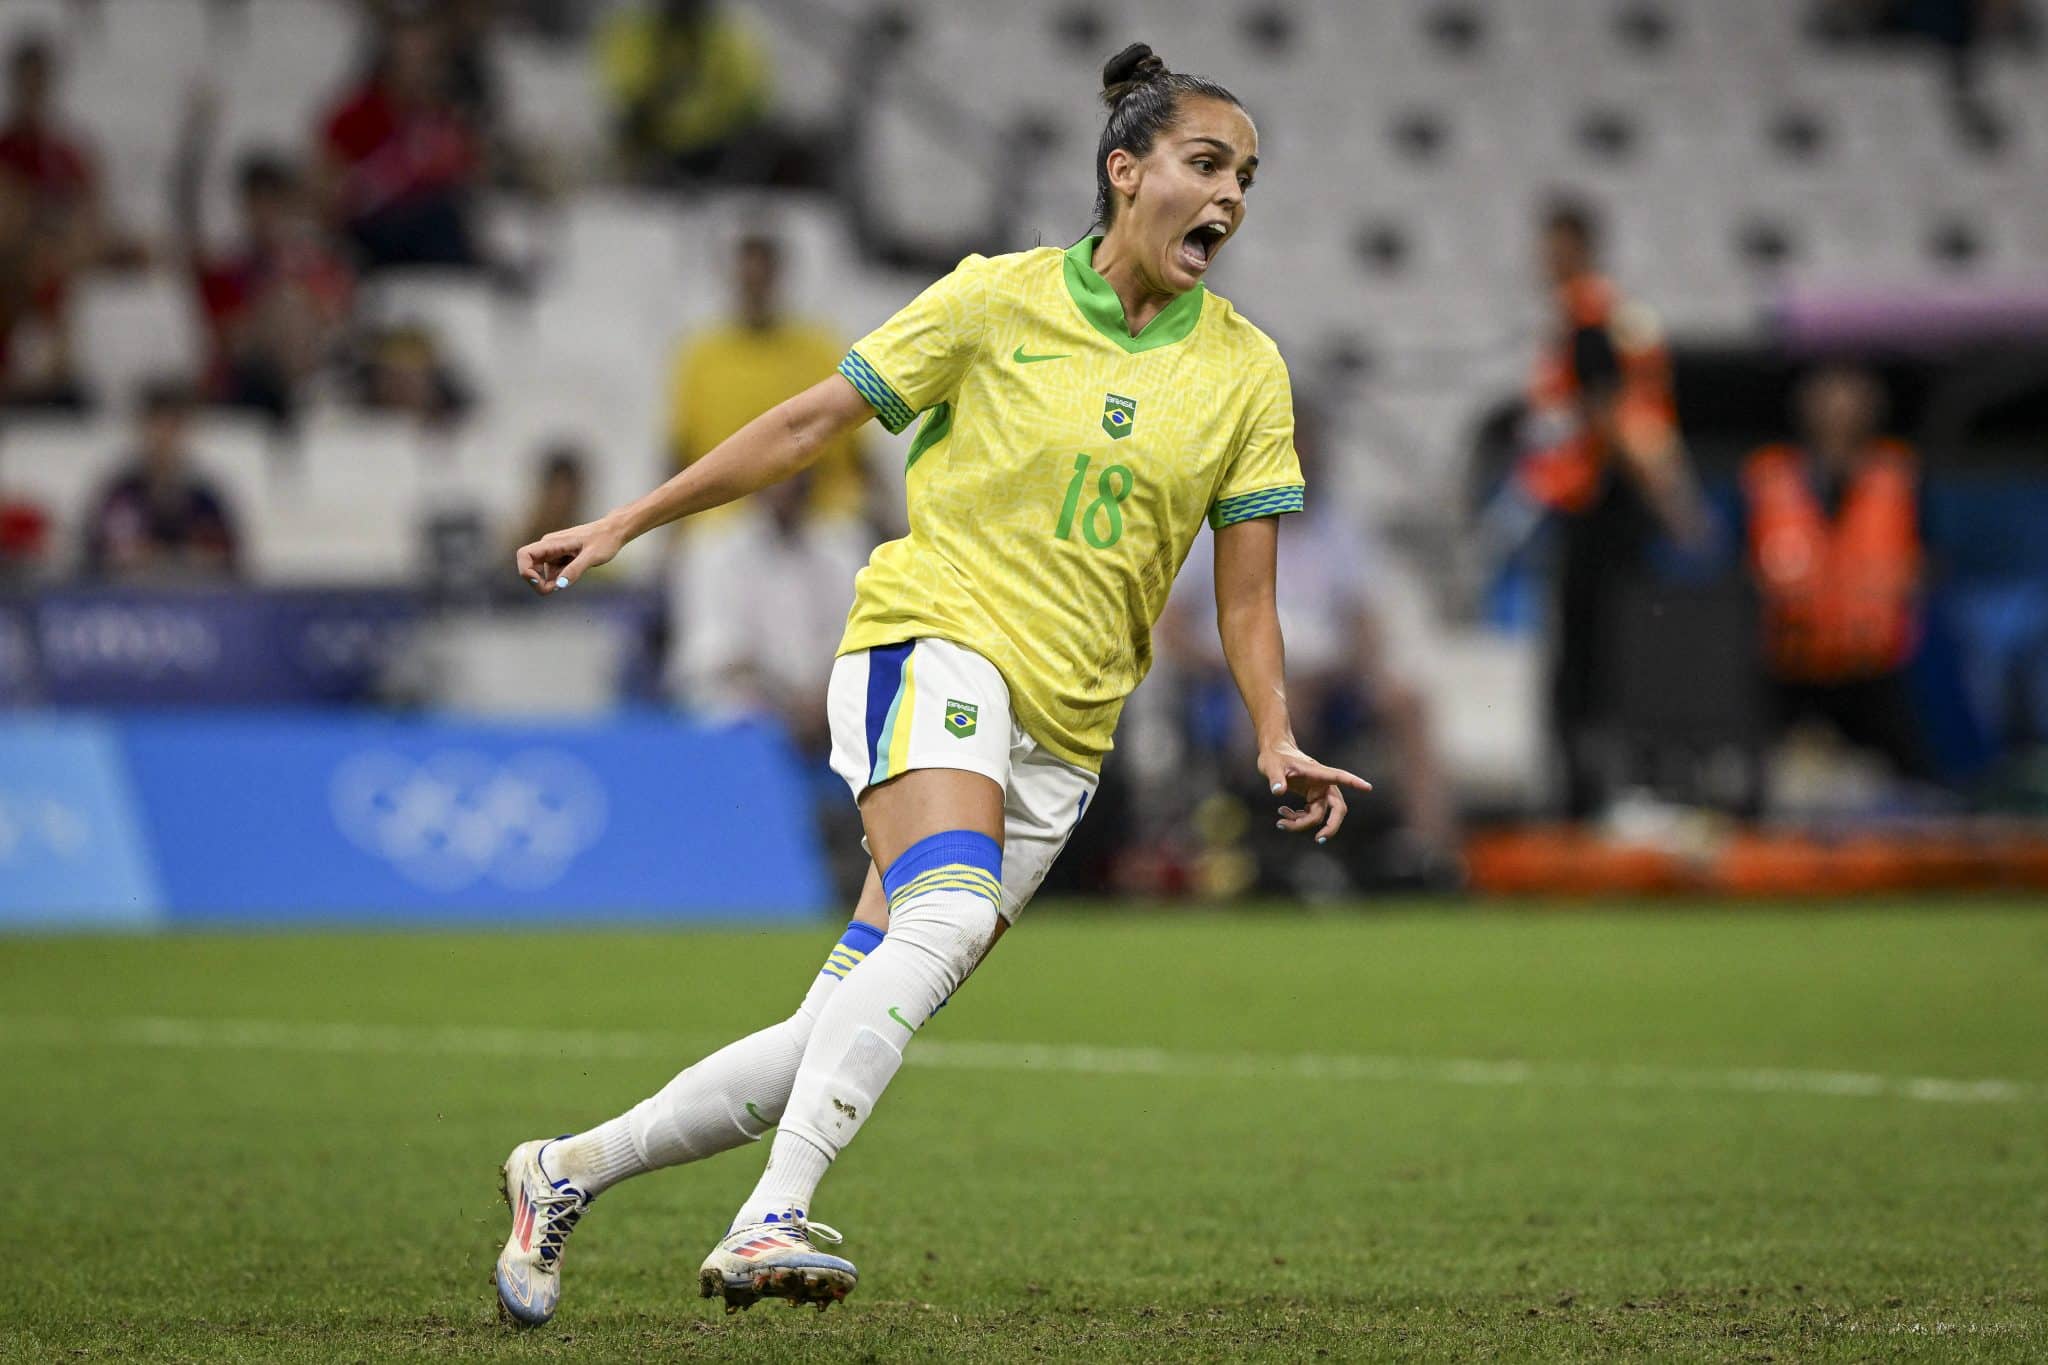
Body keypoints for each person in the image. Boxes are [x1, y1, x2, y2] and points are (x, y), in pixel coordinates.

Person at [494, 43, 1369, 1325]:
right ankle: (767, 1218)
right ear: (1124, 172)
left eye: (1244, 176)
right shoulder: (992, 300)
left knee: (825, 1034)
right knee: (947, 918)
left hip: (1065, 738)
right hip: (931, 642)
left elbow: (1243, 595)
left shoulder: (1245, 373)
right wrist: (631, 521)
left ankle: (562, 1173)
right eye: (1203, 163)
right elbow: (806, 425)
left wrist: (1274, 731)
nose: (1229, 196)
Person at [1514, 194, 1706, 819]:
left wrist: (1675, 503)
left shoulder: (1590, 318)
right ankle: (1606, 789)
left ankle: (1594, 796)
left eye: (1555, 246)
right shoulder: (1596, 318)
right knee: (1599, 654)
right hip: (1594, 506)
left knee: (1590, 660)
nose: (1545, 260)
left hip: (1598, 509)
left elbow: (1615, 415)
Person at [1739, 364, 1935, 781]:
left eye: (1850, 394)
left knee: (1913, 778)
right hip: (1791, 666)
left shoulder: (1898, 476)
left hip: (1872, 667)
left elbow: (1927, 560)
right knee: (1761, 780)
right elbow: (1740, 563)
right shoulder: (1770, 476)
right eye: (1826, 394)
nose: (1838, 408)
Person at [173, 90, 355, 423]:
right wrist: (195, 142)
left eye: (274, 205)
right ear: (244, 208)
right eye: (256, 205)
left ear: (288, 207)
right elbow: (231, 339)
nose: (265, 215)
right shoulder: (228, 269)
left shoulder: (313, 264)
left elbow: (332, 323)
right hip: (242, 391)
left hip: (304, 385)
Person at [666, 232, 870, 528]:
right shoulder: (701, 356)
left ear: (779, 278)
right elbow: (678, 453)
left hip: (820, 511)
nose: (756, 290)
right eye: (748, 281)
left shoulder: (820, 348)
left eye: (763, 280)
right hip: (725, 514)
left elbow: (859, 451)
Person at [319, 9, 486, 271]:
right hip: (372, 237)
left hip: (436, 238)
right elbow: (327, 190)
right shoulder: (354, 116)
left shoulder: (442, 118)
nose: (420, 71)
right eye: (410, 60)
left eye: (428, 62)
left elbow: (470, 176)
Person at [83, 381, 240, 581]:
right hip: (128, 604)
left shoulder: (206, 502)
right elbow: (96, 556)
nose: (164, 439)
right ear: (142, 430)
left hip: (195, 604)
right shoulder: (120, 496)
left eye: (173, 429)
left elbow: (229, 559)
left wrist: (180, 559)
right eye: (157, 428)